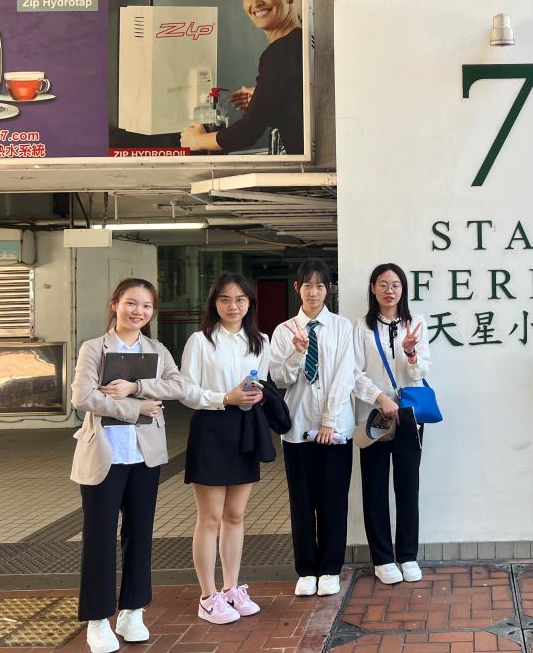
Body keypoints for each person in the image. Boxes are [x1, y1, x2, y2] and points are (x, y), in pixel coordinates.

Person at [70, 278, 184, 653]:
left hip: (143, 458)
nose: (139, 311)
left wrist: (135, 388)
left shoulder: (156, 349)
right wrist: (136, 408)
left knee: (139, 534)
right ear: (115, 304)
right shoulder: (94, 348)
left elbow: (178, 386)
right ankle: (97, 619)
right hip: (104, 456)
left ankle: (133, 611)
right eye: (131, 303)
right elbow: (82, 397)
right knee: (99, 538)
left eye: (146, 306)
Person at [180, 273, 278, 624]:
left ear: (250, 303)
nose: (232, 306)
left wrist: (257, 395)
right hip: (211, 427)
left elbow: (262, 380)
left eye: (240, 299)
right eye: (224, 299)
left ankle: (232, 588)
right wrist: (225, 397)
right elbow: (186, 391)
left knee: (235, 515)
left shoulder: (261, 341)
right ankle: (208, 597)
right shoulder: (200, 341)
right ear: (214, 303)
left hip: (246, 428)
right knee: (210, 518)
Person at [269, 258, 356, 598]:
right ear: (297, 288)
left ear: (329, 289)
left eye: (320, 285)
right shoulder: (284, 331)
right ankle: (306, 569)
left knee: (333, 499)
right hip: (298, 425)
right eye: (308, 285)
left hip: (335, 428)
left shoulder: (342, 327)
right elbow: (279, 379)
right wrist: (296, 353)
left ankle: (331, 568)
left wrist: (329, 420)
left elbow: (344, 375)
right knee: (301, 501)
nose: (314, 292)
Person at [352, 263, 431, 585]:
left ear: (403, 289)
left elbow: (422, 371)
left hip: (409, 415)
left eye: (395, 284)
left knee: (408, 486)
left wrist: (411, 354)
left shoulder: (416, 322)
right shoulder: (362, 326)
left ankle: (408, 555)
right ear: (373, 288)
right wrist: (380, 397)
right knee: (374, 488)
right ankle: (383, 559)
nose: (389, 290)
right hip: (374, 415)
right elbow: (354, 372)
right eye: (383, 284)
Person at [181, 0, 303, 155]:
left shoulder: (280, 52)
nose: (256, 2)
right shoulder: (298, 42)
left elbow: (247, 133)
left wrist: (197, 140)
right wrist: (265, 97)